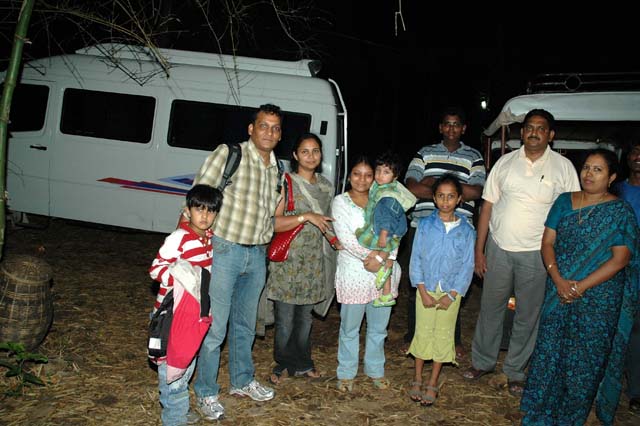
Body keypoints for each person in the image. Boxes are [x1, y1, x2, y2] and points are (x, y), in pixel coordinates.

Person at [463, 109, 580, 397]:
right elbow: (487, 207)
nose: (534, 132)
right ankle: (482, 362)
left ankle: (515, 371)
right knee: (491, 308)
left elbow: (572, 210)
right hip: (499, 247)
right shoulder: (504, 163)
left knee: (528, 315)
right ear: (522, 132)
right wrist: (479, 250)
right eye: (529, 127)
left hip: (537, 253)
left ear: (550, 134)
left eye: (541, 128)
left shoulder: (563, 167)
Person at [521, 149, 640, 425]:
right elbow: (547, 242)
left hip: (599, 298)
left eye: (598, 170)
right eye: (586, 167)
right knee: (550, 353)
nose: (589, 174)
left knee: (585, 361)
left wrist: (580, 287)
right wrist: (559, 280)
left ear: (611, 177)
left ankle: (571, 417)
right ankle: (540, 412)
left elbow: (621, 258)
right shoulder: (563, 201)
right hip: (558, 290)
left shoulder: (619, 211)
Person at [187, 104, 283, 420]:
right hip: (225, 249)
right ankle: (205, 392)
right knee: (214, 327)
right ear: (251, 129)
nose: (270, 132)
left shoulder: (277, 168)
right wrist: (190, 242)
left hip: (257, 254)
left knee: (245, 325)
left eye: (276, 127)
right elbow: (198, 197)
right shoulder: (229, 154)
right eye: (264, 125)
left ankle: (242, 381)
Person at [403, 106, 485, 355]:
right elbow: (410, 186)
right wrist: (449, 192)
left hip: (458, 232)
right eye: (446, 124)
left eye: (456, 124)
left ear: (463, 128)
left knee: (453, 283)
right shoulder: (424, 153)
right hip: (423, 228)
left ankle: (453, 339)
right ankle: (413, 334)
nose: (451, 128)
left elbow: (477, 191)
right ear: (440, 128)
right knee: (418, 282)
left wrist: (432, 184)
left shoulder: (474, 157)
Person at [266, 133, 337, 385]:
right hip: (287, 261)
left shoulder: (327, 187)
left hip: (313, 262)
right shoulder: (286, 183)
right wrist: (305, 216)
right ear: (295, 155)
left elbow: (328, 223)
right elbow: (274, 223)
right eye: (305, 151)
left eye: (315, 151)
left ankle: (303, 363)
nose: (311, 156)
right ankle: (283, 363)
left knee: (305, 319)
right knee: (285, 320)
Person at [149, 184, 223, 426]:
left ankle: (176, 408)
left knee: (186, 364)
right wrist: (182, 278)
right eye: (199, 209)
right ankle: (175, 417)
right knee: (173, 367)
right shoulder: (178, 238)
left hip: (194, 314)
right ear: (188, 210)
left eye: (210, 211)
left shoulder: (210, 240)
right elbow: (156, 269)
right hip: (172, 314)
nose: (205, 216)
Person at [332, 156, 401, 392]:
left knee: (379, 328)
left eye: (368, 174)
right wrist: (369, 257)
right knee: (350, 328)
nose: (362, 179)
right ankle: (346, 373)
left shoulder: (385, 199)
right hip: (353, 271)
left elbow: (396, 232)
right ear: (349, 176)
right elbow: (346, 237)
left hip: (382, 273)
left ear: (375, 177)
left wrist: (383, 259)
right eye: (356, 174)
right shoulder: (340, 202)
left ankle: (375, 370)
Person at [407, 175, 475, 406]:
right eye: (441, 196)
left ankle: (433, 380)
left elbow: (467, 265)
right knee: (423, 332)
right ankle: (417, 377)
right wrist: (422, 290)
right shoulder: (425, 225)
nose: (445, 201)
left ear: (459, 199)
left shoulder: (466, 230)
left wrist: (453, 294)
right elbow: (415, 258)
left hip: (450, 293)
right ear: (434, 199)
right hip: (426, 288)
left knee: (443, 336)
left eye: (451, 196)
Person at [356, 151, 416, 307]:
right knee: (387, 256)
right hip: (394, 231)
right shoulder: (384, 187)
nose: (380, 175)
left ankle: (386, 277)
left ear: (395, 176)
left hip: (388, 231)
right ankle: (387, 294)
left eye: (386, 172)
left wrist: (383, 234)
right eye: (378, 171)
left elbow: (387, 218)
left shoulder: (387, 196)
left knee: (379, 253)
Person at [618, 141, 640, 413]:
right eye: (635, 151)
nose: (639, 157)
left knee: (637, 332)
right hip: (615, 269)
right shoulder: (617, 190)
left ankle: (635, 390)